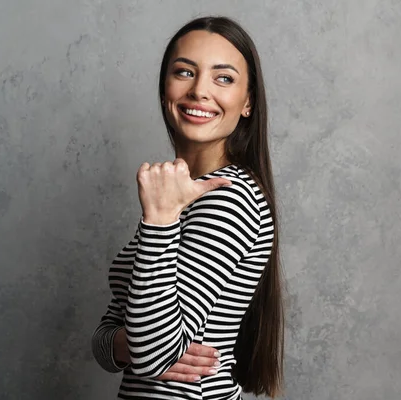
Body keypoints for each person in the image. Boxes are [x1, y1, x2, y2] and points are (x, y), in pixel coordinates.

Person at [91, 16, 284, 400]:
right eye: (184, 72)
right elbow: (105, 342)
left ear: (247, 102)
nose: (199, 91)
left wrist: (160, 220)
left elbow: (154, 358)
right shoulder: (181, 195)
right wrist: (127, 343)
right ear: (165, 86)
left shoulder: (231, 196)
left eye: (223, 78)